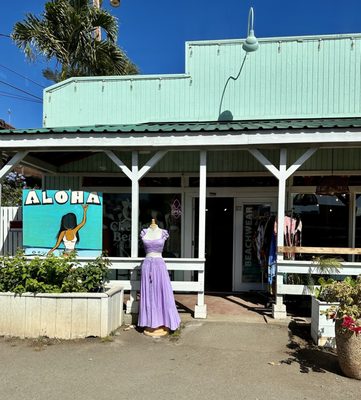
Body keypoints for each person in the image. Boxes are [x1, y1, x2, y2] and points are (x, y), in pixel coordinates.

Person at [138, 218, 181, 336]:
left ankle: (164, 321)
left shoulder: (163, 232)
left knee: (162, 293)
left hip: (159, 265)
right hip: (147, 265)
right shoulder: (144, 232)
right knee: (149, 294)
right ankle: (150, 321)